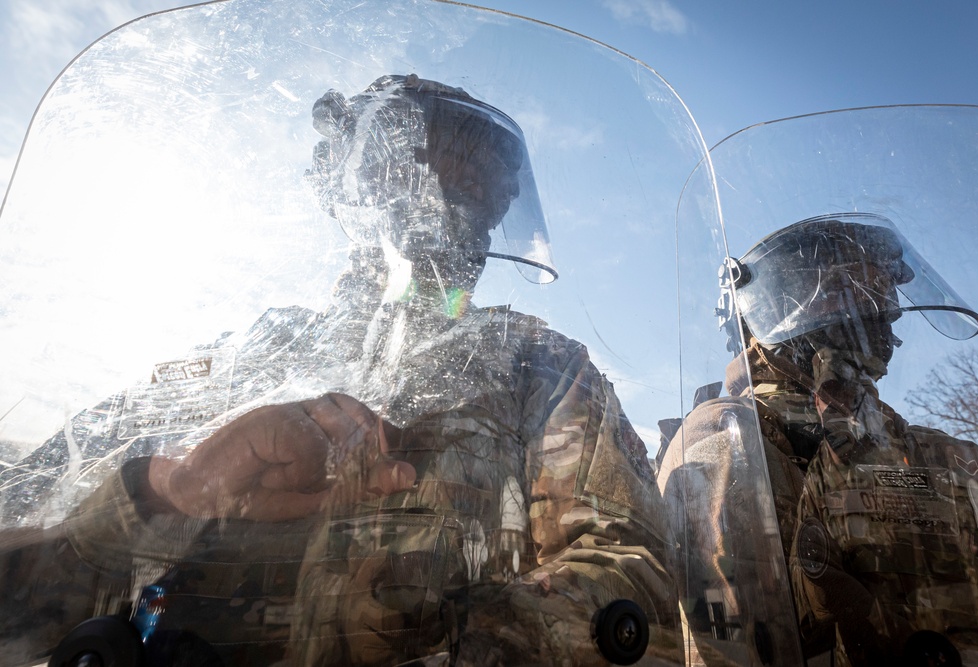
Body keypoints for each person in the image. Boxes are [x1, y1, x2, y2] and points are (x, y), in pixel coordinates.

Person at [0, 74, 677, 666]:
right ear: (366, 185)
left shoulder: (542, 365)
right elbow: (19, 609)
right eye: (425, 169)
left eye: (481, 192)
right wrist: (167, 490)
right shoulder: (251, 353)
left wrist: (455, 639)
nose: (449, 207)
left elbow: (632, 575)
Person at [658, 213, 978, 666]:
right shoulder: (731, 439)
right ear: (796, 300)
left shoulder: (933, 450)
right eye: (865, 285)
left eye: (886, 291)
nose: (891, 310)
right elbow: (746, 642)